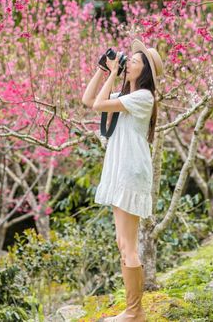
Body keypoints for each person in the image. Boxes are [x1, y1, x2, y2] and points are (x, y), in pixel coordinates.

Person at [81, 38, 164, 322]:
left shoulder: (144, 97)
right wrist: (103, 71)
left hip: (130, 169)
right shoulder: (128, 96)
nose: (129, 64)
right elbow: (88, 100)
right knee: (122, 242)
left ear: (145, 73)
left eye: (135, 63)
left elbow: (99, 105)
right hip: (122, 169)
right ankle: (132, 310)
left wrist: (115, 73)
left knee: (128, 245)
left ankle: (134, 312)